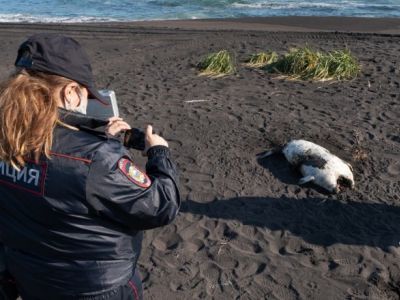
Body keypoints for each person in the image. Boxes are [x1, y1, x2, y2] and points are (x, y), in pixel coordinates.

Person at [0, 33, 180, 300]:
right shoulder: (95, 159)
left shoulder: (7, 137)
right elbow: (161, 206)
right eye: (87, 94)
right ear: (71, 92)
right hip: (95, 288)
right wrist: (159, 152)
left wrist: (98, 138)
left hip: (32, 279)